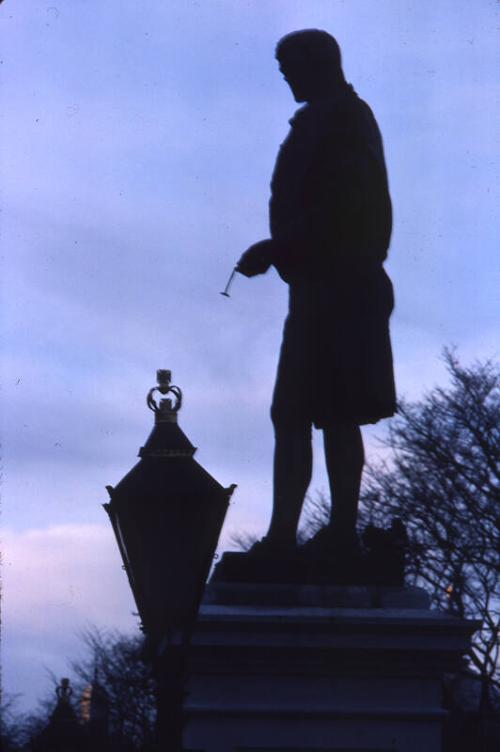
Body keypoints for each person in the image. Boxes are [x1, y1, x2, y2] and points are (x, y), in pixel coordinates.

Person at [236, 30, 396, 555]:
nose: (286, 76)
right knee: (310, 410)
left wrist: (277, 247)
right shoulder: (329, 116)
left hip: (340, 285)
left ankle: (314, 534)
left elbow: (347, 206)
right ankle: (305, 532)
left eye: (290, 66)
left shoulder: (343, 117)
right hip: (321, 286)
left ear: (319, 63)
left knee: (323, 410)